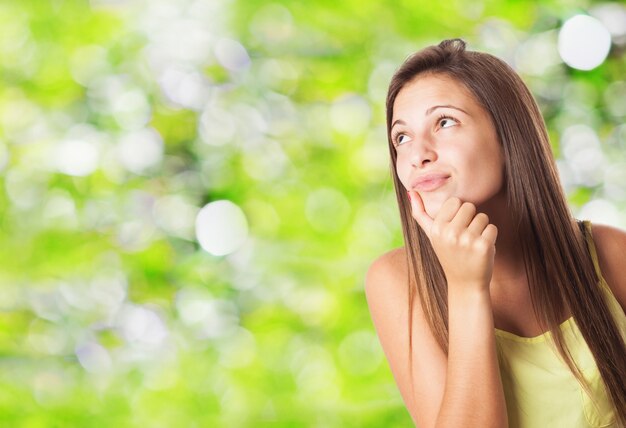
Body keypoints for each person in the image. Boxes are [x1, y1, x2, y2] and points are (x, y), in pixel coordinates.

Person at [364, 38, 626, 427]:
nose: (418, 153)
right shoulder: (399, 281)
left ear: (508, 136)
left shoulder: (611, 253)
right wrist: (467, 288)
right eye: (401, 137)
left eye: (444, 122)